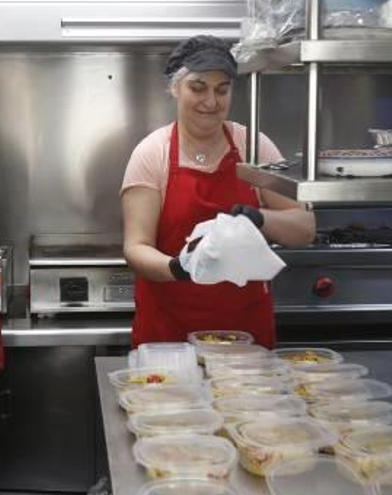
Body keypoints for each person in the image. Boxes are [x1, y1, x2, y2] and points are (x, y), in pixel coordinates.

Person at [120, 35, 316, 349]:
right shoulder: (152, 153)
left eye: (221, 89)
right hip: (169, 333)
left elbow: (305, 228)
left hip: (244, 333)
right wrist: (178, 267)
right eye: (198, 87)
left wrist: (259, 218)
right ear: (175, 88)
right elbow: (136, 246)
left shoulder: (254, 146)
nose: (211, 102)